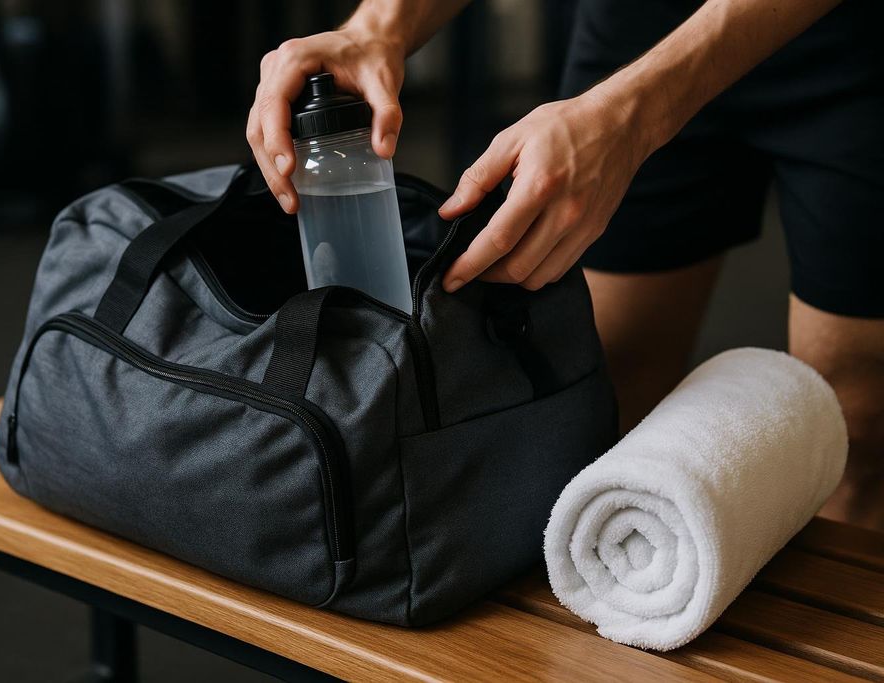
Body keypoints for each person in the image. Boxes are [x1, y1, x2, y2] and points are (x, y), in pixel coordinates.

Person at [246, 0, 884, 531]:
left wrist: (634, 115)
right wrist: (375, 28)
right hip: (642, 25)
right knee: (606, 384)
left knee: (860, 421)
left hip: (855, 43)